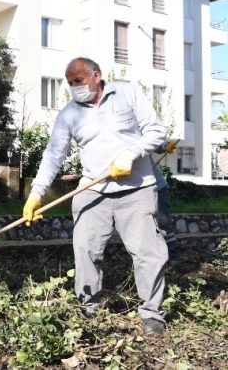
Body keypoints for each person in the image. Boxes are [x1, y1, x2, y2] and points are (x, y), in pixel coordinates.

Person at [22, 57, 169, 336]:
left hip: (137, 189)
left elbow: (156, 132)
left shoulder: (127, 93)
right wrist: (36, 194)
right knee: (86, 251)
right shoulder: (68, 115)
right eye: (70, 83)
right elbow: (53, 155)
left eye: (78, 81)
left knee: (148, 253)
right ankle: (88, 311)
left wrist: (131, 152)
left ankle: (152, 315)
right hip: (92, 189)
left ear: (96, 76)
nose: (74, 87)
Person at [151, 140, 182, 267]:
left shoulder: (134, 129)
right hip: (133, 190)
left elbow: (153, 142)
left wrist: (165, 145)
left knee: (163, 221)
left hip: (156, 186)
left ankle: (173, 255)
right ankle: (156, 257)